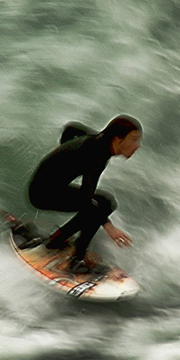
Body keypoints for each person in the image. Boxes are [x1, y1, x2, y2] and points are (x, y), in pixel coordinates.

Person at [25, 115, 142, 273]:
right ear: (117, 139)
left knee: (104, 202)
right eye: (134, 139)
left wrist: (62, 151)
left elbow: (71, 128)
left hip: (49, 186)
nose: (137, 145)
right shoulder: (98, 156)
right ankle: (76, 260)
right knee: (98, 207)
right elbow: (86, 198)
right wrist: (108, 226)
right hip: (42, 194)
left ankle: (57, 240)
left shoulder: (97, 139)